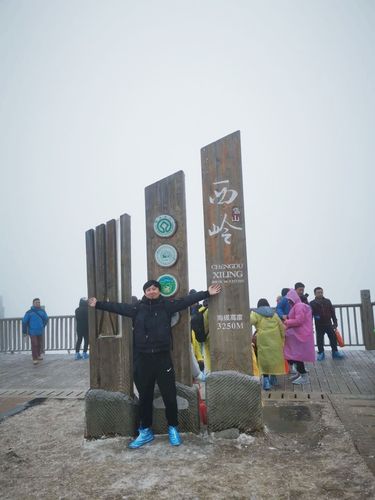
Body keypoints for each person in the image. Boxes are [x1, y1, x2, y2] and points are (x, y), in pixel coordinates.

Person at [88, 280, 222, 449]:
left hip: (162, 358)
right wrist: (98, 304)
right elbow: (118, 308)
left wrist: (206, 293)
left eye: (154, 289)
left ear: (159, 291)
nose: (151, 291)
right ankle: (145, 431)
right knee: (145, 397)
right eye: (148, 289)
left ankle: (173, 428)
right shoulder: (137, 308)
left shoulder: (166, 305)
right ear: (144, 292)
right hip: (143, 359)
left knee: (169, 396)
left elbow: (186, 301)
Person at [250, 299, 285, 390]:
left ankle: (266, 381)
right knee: (274, 359)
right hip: (276, 339)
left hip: (263, 340)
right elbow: (282, 328)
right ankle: (273, 378)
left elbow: (249, 322)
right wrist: (282, 339)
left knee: (264, 360)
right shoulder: (275, 314)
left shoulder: (256, 313)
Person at [283, 289, 315, 385]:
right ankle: (299, 373)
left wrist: (286, 322)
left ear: (293, 298)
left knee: (297, 356)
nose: (288, 301)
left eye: (289, 300)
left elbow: (299, 321)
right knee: (295, 355)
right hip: (297, 334)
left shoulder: (299, 306)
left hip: (299, 335)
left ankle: (304, 376)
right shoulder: (298, 306)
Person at [309, 287, 344, 360]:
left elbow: (332, 312)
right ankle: (321, 353)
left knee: (333, 338)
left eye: (321, 292)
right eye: (318, 292)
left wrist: (335, 322)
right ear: (315, 294)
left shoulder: (328, 301)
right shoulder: (312, 303)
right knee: (319, 339)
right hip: (319, 325)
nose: (320, 294)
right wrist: (310, 326)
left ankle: (335, 352)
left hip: (328, 323)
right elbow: (310, 315)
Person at [22, 298, 48, 365]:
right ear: (33, 303)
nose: (38, 303)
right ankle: (34, 359)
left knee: (39, 344)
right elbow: (24, 321)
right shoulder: (29, 312)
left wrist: (43, 326)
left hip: (40, 331)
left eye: (39, 302)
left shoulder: (42, 311)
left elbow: (46, 319)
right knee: (34, 344)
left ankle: (38, 355)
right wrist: (24, 331)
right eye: (36, 302)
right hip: (32, 331)